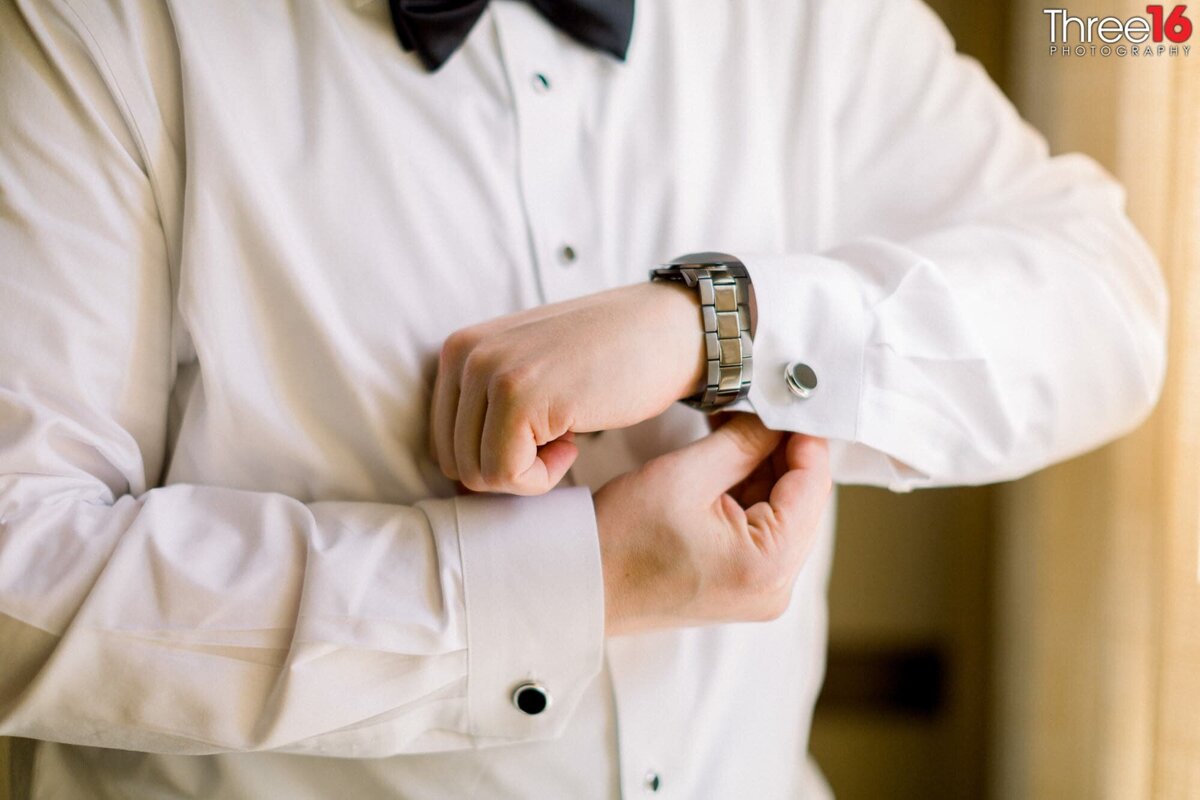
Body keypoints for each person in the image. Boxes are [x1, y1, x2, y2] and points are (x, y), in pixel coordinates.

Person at [0, 0, 1166, 797]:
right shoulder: (104, 28)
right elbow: (18, 572)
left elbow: (1104, 302)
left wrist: (725, 323)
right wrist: (569, 586)